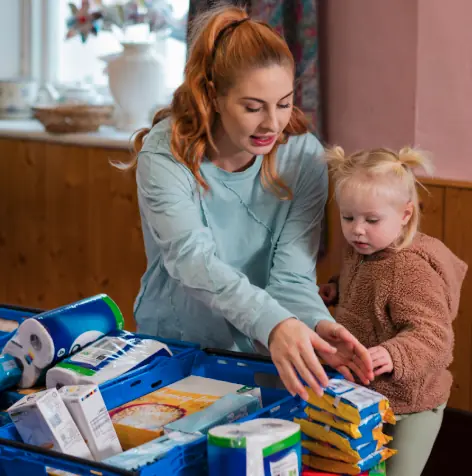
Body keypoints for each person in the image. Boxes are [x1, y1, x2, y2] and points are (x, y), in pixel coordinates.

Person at [123, 4, 374, 400]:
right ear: (213, 96)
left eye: (284, 103)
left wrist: (315, 325)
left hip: (262, 353)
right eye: (253, 107)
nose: (272, 124)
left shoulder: (304, 157)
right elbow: (191, 260)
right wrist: (274, 323)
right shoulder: (166, 152)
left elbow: (291, 277)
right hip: (175, 351)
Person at [320, 146, 467, 476]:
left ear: (405, 215)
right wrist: (336, 288)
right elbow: (366, 290)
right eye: (348, 217)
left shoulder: (408, 270)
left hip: (412, 404)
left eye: (371, 220)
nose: (357, 229)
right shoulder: (363, 249)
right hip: (369, 393)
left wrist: (395, 353)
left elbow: (434, 335)